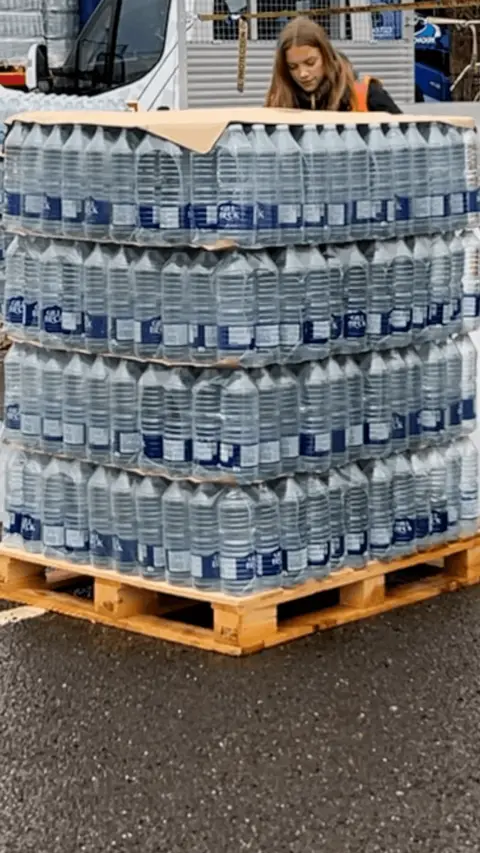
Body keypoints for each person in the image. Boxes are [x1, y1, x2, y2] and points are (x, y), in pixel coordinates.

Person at [265, 17, 401, 113]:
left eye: (310, 63)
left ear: (327, 56)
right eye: (292, 67)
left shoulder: (367, 95)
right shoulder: (277, 103)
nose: (303, 74)